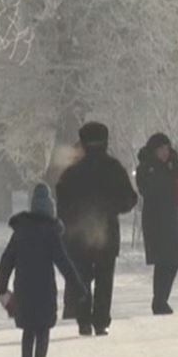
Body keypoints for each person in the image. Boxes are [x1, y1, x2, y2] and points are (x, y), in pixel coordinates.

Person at [0, 183, 86, 357]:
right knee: (43, 331)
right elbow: (64, 262)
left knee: (28, 331)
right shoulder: (50, 233)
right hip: (44, 290)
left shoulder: (20, 232)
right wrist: (77, 286)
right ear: (50, 209)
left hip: (24, 290)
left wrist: (1, 286)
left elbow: (7, 260)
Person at [56, 122, 138, 336]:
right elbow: (129, 199)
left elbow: (62, 204)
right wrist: (110, 207)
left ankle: (83, 320)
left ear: (82, 142)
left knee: (82, 276)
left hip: (79, 235)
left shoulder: (72, 173)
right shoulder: (114, 168)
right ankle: (101, 321)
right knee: (104, 277)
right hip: (107, 232)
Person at [136, 133, 178, 315]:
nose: (165, 152)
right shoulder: (146, 167)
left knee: (174, 260)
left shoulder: (171, 165)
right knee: (163, 260)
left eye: (167, 149)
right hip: (155, 218)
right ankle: (159, 301)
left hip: (171, 216)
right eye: (162, 149)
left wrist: (173, 162)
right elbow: (147, 188)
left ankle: (161, 299)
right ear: (154, 150)